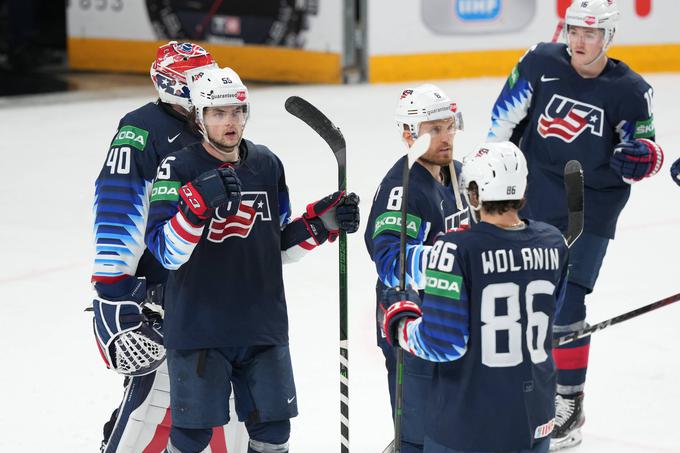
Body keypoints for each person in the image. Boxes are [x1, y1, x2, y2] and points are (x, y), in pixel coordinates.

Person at [144, 66, 360, 453]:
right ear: (200, 116)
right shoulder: (177, 168)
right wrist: (193, 209)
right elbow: (165, 253)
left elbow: (273, 245)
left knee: (274, 432)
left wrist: (319, 224)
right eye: (219, 113)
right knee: (192, 436)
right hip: (199, 328)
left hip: (262, 325)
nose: (231, 121)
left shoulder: (267, 164)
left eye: (238, 111)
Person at [486, 1, 665, 449]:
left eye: (590, 34)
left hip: (592, 208)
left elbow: (646, 151)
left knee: (566, 304)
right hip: (532, 195)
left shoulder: (630, 90)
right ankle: (524, 390)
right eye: (573, 31)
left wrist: (642, 160)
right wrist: (493, 182)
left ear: (609, 37)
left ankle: (568, 402)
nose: (579, 42)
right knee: (521, 296)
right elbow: (502, 122)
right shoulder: (540, 61)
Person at [381, 142, 569, 453]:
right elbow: (552, 311)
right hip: (536, 412)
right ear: (523, 189)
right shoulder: (554, 242)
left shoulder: (454, 249)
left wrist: (401, 324)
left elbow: (442, 344)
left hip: (470, 422)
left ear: (473, 193)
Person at [90, 42, 229, 452]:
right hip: (166, 297)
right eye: (198, 79)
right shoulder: (141, 130)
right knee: (155, 405)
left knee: (228, 407)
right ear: (175, 86)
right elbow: (118, 205)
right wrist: (114, 292)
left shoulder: (213, 126)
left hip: (221, 296)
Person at [364, 84, 469, 452]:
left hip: (455, 321)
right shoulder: (403, 188)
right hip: (413, 324)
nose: (446, 137)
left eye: (449, 125)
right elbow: (392, 263)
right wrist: (455, 264)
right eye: (433, 129)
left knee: (455, 429)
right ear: (409, 134)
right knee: (420, 436)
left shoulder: (459, 173)